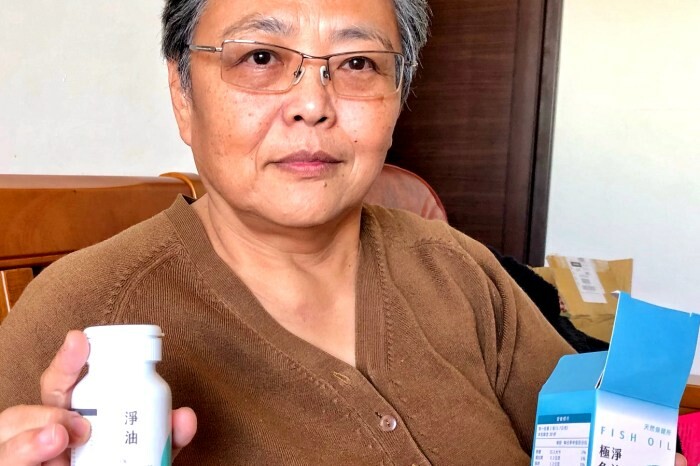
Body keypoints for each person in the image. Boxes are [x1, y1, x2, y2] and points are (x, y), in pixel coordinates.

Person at [0, 0, 689, 464]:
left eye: (357, 64)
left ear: (397, 97)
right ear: (183, 94)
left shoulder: (458, 269)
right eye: (260, 58)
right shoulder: (81, 319)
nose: (312, 104)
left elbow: (592, 437)